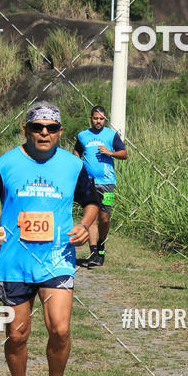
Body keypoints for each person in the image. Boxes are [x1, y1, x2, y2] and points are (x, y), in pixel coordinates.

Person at [0, 102, 100, 376]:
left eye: (51, 128)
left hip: (57, 259)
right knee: (17, 335)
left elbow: (93, 200)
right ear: (25, 130)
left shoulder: (74, 165)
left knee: (60, 329)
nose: (44, 133)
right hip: (15, 262)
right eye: (38, 127)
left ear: (60, 132)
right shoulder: (7, 163)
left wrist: (85, 224)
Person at [73, 105, 127, 267]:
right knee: (92, 217)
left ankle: (101, 246)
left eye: (101, 118)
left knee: (104, 218)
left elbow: (124, 154)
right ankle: (94, 251)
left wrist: (110, 153)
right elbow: (77, 151)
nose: (98, 121)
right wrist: (77, 163)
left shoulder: (111, 135)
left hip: (107, 182)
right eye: (96, 118)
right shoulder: (83, 135)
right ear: (91, 118)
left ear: (105, 119)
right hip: (88, 183)